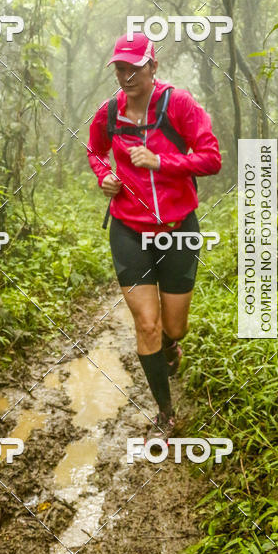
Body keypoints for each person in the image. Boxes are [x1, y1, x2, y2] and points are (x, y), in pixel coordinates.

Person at [86, 32, 221, 435]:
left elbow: (211, 159)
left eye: (134, 67)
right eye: (120, 68)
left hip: (178, 229)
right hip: (128, 230)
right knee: (147, 324)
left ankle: (172, 345)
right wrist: (105, 175)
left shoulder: (178, 104)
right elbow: (95, 150)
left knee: (172, 327)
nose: (126, 76)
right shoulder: (109, 113)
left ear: (153, 66)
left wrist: (162, 162)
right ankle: (165, 412)